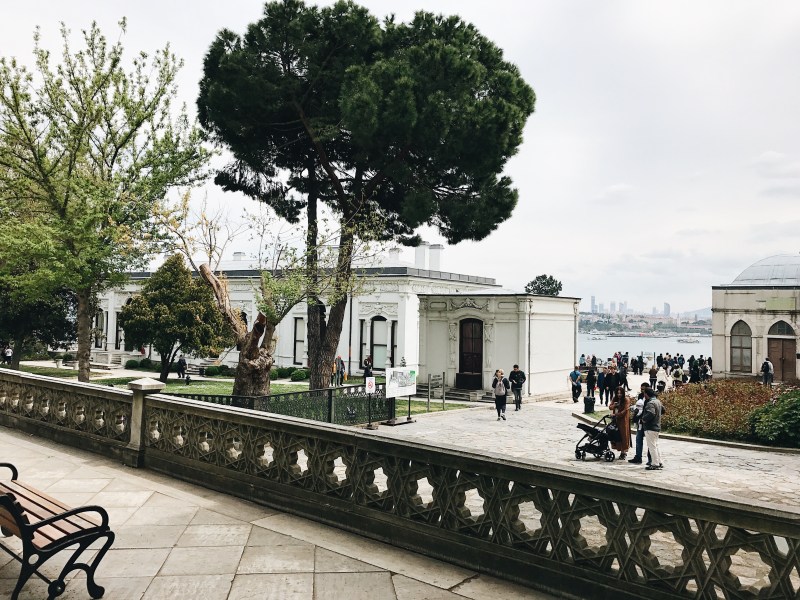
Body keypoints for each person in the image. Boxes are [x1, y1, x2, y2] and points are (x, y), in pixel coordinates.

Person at [641, 388, 665, 470]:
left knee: (652, 446)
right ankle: (659, 461)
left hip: (650, 427)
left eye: (645, 394)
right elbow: (663, 410)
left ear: (647, 394)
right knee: (656, 445)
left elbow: (651, 413)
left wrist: (644, 419)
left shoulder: (650, 403)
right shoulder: (658, 401)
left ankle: (655, 464)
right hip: (657, 426)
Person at [628, 383, 651, 465]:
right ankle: (638, 457)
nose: (642, 391)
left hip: (647, 422)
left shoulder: (651, 397)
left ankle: (650, 459)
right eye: (641, 389)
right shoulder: (640, 396)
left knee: (649, 442)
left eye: (644, 389)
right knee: (638, 439)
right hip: (640, 421)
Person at [609, 386, 631, 460]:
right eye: (617, 393)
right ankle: (619, 448)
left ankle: (623, 452)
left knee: (623, 435)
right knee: (616, 435)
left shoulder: (626, 400)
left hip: (623, 421)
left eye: (620, 393)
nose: (619, 395)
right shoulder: (615, 399)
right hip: (615, 421)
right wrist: (615, 405)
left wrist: (616, 415)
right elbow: (610, 407)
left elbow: (624, 411)